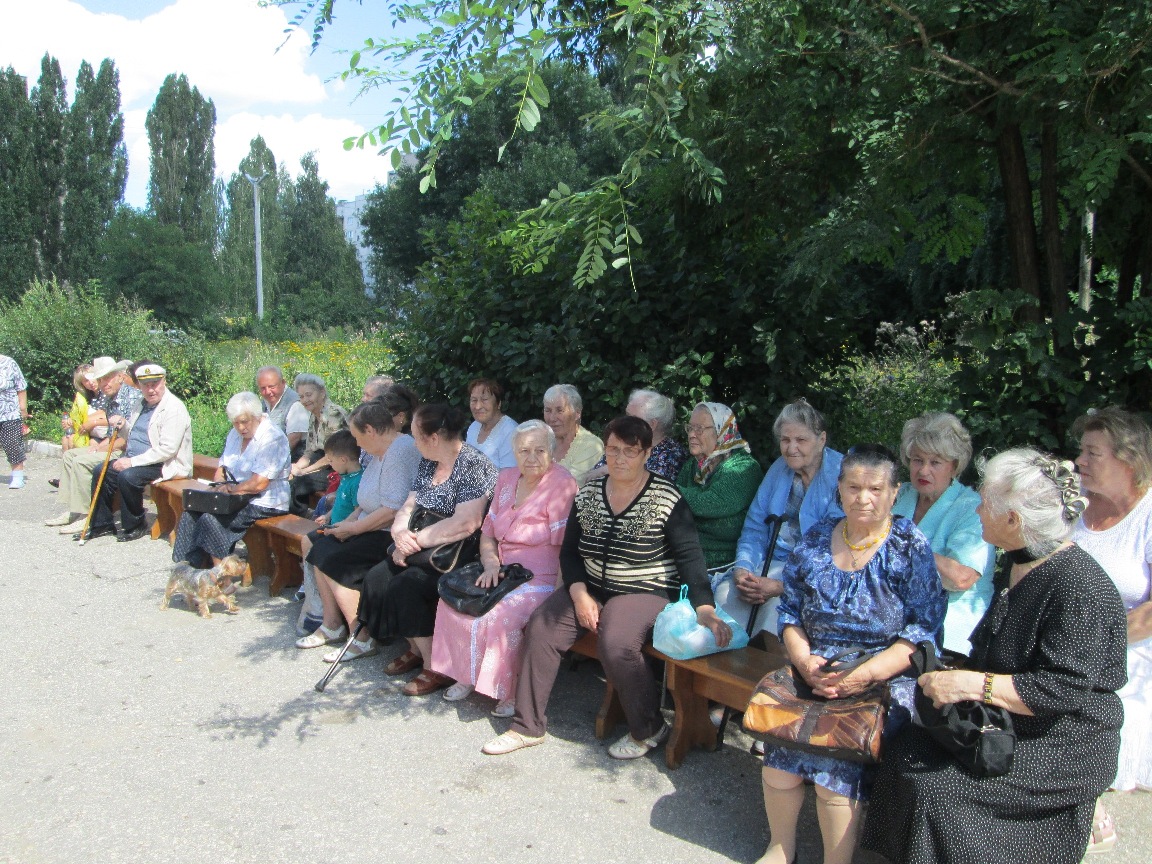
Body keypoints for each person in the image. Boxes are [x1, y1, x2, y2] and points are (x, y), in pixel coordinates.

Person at [863, 450, 1128, 864]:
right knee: (906, 748)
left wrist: (970, 684)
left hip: (1063, 740)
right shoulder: (1023, 562)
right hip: (1013, 719)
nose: (978, 509)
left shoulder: (1077, 587)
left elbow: (1061, 690)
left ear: (1014, 521)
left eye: (986, 503)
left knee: (940, 787)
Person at [482, 415, 732, 758]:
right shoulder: (589, 492)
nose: (619, 459)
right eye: (613, 450)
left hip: (645, 590)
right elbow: (570, 552)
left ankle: (649, 727)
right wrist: (579, 592)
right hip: (590, 586)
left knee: (616, 640)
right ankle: (527, 726)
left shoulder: (667, 496)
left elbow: (690, 557)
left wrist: (705, 608)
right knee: (542, 625)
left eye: (630, 452)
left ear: (645, 454)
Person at [757, 444, 945, 864]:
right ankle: (780, 848)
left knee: (832, 772)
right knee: (780, 762)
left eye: (875, 488)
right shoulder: (818, 536)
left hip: (883, 676)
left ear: (895, 492)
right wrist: (804, 661)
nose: (864, 498)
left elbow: (922, 632)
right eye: (854, 486)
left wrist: (861, 677)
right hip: (816, 667)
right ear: (839, 489)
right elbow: (789, 612)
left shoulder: (908, 546)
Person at [429, 419, 579, 716]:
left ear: (552, 452)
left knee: (501, 614)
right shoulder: (507, 478)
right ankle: (465, 674)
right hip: (501, 569)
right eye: (524, 451)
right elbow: (488, 533)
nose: (532, 458)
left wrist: (558, 599)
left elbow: (567, 549)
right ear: (514, 452)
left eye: (540, 451)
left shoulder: (561, 484)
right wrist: (490, 563)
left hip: (541, 578)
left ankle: (509, 690)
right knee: (453, 603)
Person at [358, 404, 498, 694]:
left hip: (457, 553)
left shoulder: (474, 464)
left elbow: (467, 523)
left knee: (407, 586)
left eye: (415, 435)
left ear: (433, 438)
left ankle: (437, 665)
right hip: (420, 545)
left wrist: (414, 543)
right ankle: (417, 647)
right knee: (377, 578)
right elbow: (410, 504)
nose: (412, 441)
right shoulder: (428, 461)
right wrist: (399, 535)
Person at [1071, 407, 1152, 846]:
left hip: (1135, 648)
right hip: (1070, 639)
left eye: (1092, 453)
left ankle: (1084, 803)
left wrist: (1095, 643)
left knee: (1083, 703)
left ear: (1128, 458)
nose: (1079, 461)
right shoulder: (1075, 505)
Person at [295, 400, 422, 662]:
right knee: (320, 547)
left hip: (390, 533)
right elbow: (365, 500)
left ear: (370, 430)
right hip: (368, 524)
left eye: (357, 436)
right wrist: (348, 522)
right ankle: (332, 625)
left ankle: (361, 638)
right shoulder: (378, 451)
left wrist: (352, 529)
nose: (357, 444)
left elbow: (391, 509)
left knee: (333, 559)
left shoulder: (399, 451)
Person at [720, 398, 844, 635]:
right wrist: (743, 569)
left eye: (801, 440)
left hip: (815, 576)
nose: (791, 448)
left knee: (776, 611)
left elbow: (835, 551)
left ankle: (765, 670)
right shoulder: (779, 469)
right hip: (770, 563)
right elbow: (755, 526)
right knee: (726, 597)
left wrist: (780, 586)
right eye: (785, 440)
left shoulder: (842, 475)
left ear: (822, 440)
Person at [892, 412, 994, 657]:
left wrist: (907, 544)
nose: (923, 470)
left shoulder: (972, 508)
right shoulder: (900, 495)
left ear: (955, 466)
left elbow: (960, 578)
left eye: (935, 462)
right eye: (917, 460)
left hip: (948, 632)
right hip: (894, 620)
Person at [171, 391, 290, 566]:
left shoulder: (273, 437)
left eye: (244, 422)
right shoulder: (234, 434)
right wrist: (220, 484)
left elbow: (260, 483)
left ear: (256, 416)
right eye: (236, 423)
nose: (241, 427)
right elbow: (222, 468)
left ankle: (221, 577)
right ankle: (186, 568)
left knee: (211, 520)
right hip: (235, 497)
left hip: (264, 501)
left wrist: (232, 489)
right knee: (191, 512)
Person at [81, 363, 192, 543]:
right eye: (145, 385)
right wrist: (123, 425)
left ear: (163, 382)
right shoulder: (140, 404)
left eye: (154, 384)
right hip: (138, 459)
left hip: (164, 464)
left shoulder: (173, 408)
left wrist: (132, 462)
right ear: (139, 385)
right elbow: (133, 434)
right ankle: (101, 524)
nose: (150, 389)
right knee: (101, 470)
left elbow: (167, 450)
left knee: (128, 476)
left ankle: (135, 524)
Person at [46, 357, 139, 532]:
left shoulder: (132, 398)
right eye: (100, 379)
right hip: (115, 446)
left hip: (129, 452)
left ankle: (87, 515)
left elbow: (129, 438)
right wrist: (98, 446)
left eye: (107, 378)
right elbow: (113, 434)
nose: (103, 383)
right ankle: (74, 510)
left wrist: (99, 447)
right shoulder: (111, 398)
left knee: (81, 462)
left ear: (120, 376)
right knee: (69, 455)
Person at [676, 402, 764, 570]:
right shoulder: (693, 466)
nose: (692, 435)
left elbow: (710, 503)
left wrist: (665, 488)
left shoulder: (744, 468)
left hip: (726, 566)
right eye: (690, 428)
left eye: (700, 429)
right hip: (686, 559)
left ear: (722, 430)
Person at [295, 429, 364, 635]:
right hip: (333, 525)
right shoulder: (346, 476)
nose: (330, 465)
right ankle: (314, 597)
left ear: (343, 459)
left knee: (319, 550)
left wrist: (338, 527)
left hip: (344, 532)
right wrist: (327, 516)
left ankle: (321, 609)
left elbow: (355, 511)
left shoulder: (357, 481)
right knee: (307, 541)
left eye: (331, 460)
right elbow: (340, 504)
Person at [586, 389, 690, 482]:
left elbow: (654, 490)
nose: (625, 422)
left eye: (633, 418)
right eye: (627, 415)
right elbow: (590, 476)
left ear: (652, 424)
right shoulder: (622, 442)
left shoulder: (672, 455)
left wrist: (609, 470)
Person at [288, 373, 348, 516]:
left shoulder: (333, 414)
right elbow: (309, 451)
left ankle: (301, 523)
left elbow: (332, 456)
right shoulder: (313, 415)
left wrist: (304, 471)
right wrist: (295, 467)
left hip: (340, 466)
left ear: (322, 392)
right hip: (323, 462)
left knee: (299, 483)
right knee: (288, 477)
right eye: (301, 397)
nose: (305, 400)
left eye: (309, 395)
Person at [543, 384, 603, 484]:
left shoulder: (591, 445)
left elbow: (569, 486)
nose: (552, 418)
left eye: (560, 411)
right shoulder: (541, 440)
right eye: (548, 410)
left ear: (577, 413)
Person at [465, 377, 518, 469]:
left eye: (484, 400)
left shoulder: (510, 431)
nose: (477, 406)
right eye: (474, 400)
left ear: (498, 403)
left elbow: (509, 476)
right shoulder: (473, 427)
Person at [256, 366, 309, 457]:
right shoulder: (264, 403)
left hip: (293, 457)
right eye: (263, 388)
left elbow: (294, 439)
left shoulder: (295, 404)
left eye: (271, 387)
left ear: (283, 383)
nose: (267, 391)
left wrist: (270, 459)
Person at [0, 353, 29, 489]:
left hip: (9, 412)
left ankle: (17, 477)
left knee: (12, 444)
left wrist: (23, 409)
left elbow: (21, 387)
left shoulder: (9, 363)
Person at [60, 363, 99, 452]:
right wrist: (70, 421)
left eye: (92, 377)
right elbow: (78, 415)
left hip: (98, 431)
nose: (90, 382)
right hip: (87, 430)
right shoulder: (86, 397)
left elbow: (104, 413)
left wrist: (74, 421)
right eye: (86, 381)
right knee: (65, 440)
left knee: (72, 440)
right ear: (82, 384)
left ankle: (76, 464)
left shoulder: (104, 394)